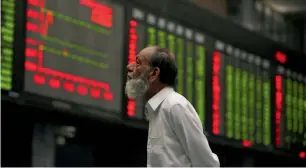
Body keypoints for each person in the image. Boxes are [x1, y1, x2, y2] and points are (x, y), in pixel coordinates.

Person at [125, 46, 220, 167]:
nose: (129, 67)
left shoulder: (175, 106)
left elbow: (207, 164)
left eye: (138, 63)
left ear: (154, 73)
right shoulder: (158, 109)